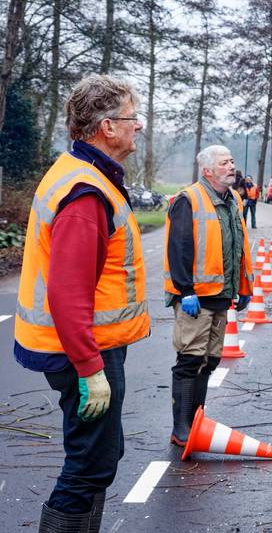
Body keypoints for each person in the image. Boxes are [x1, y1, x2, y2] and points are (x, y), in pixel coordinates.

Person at [13, 75, 149, 530]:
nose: (141, 126)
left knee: (101, 456)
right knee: (88, 464)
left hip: (84, 346)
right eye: (133, 118)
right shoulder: (86, 192)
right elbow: (68, 291)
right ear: (107, 127)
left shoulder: (85, 174)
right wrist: (91, 369)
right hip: (81, 351)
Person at [164, 145, 252, 447]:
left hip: (221, 297)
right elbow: (178, 248)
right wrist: (185, 290)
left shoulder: (233, 199)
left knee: (210, 360)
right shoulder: (188, 200)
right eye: (224, 163)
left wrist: (244, 288)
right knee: (190, 359)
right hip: (195, 299)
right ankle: (182, 428)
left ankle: (197, 420)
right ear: (207, 171)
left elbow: (238, 247)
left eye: (232, 160)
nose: (231, 166)